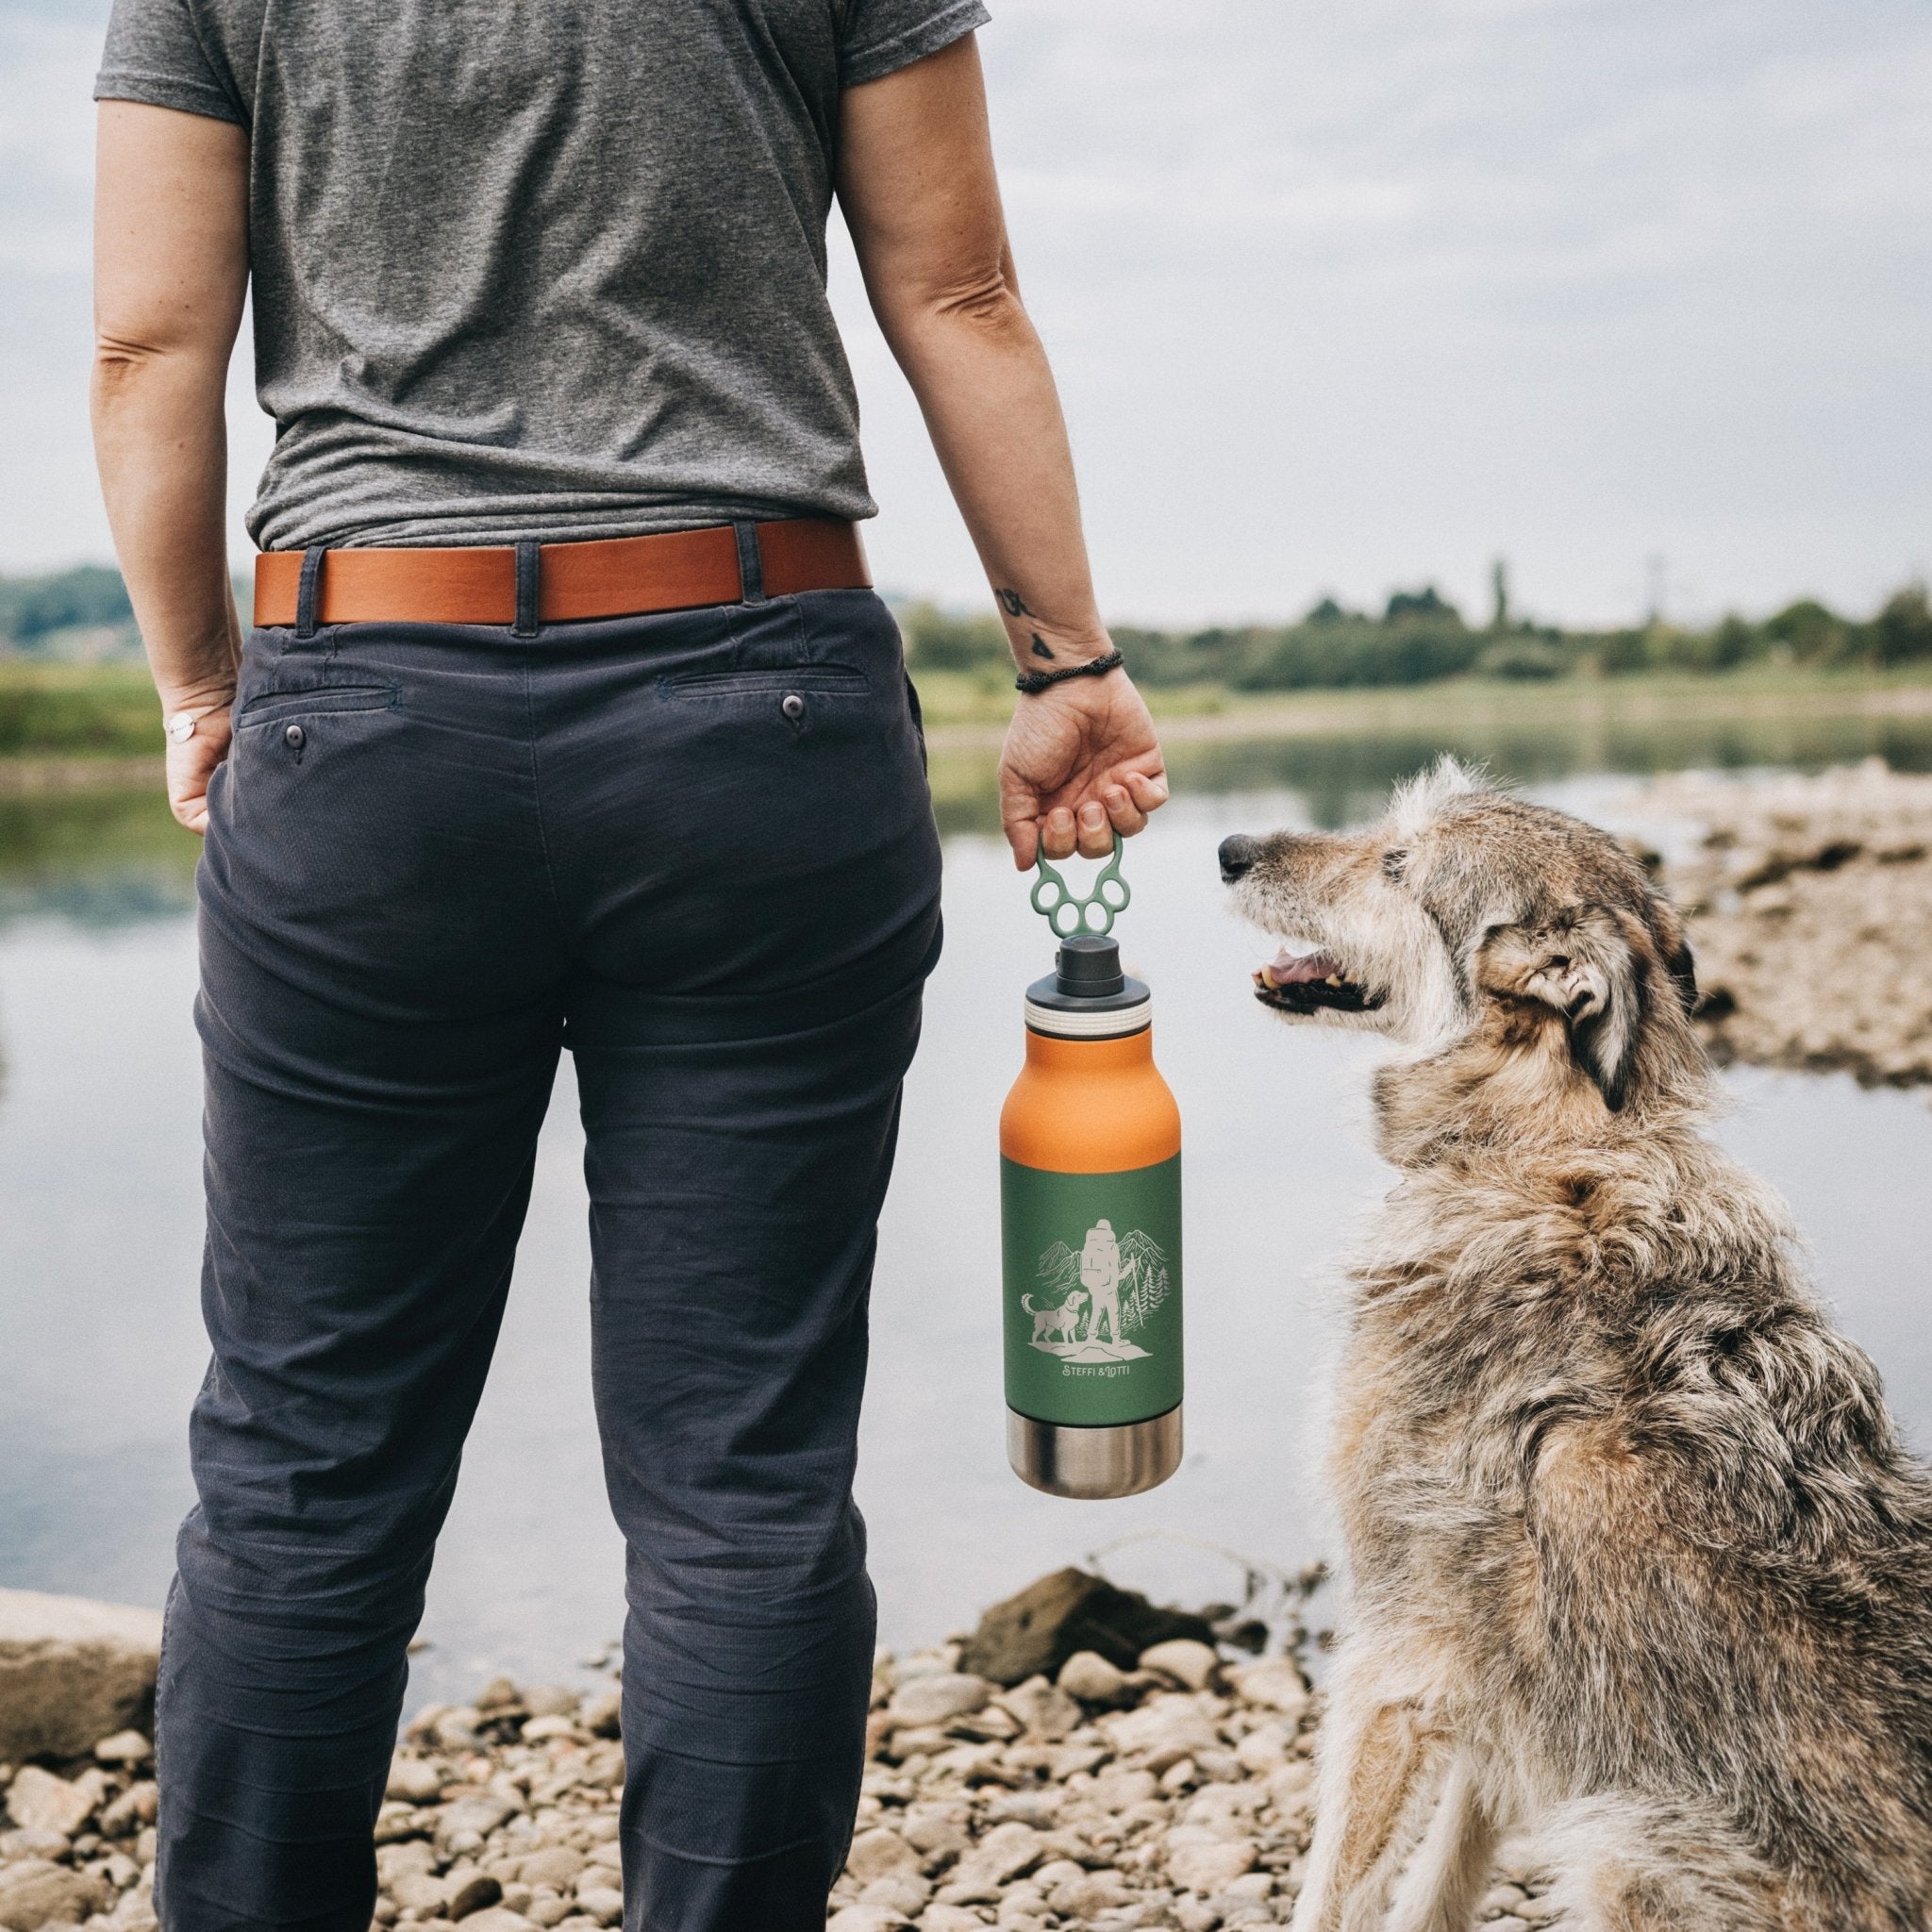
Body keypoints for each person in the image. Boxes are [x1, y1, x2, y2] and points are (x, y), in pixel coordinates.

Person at [89, 1, 1167, 1925]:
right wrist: (1064, 658)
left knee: (304, 1456)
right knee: (741, 1470)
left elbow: (148, 343)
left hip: (369, 708)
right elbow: (960, 289)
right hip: (756, 703)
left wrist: (200, 680)